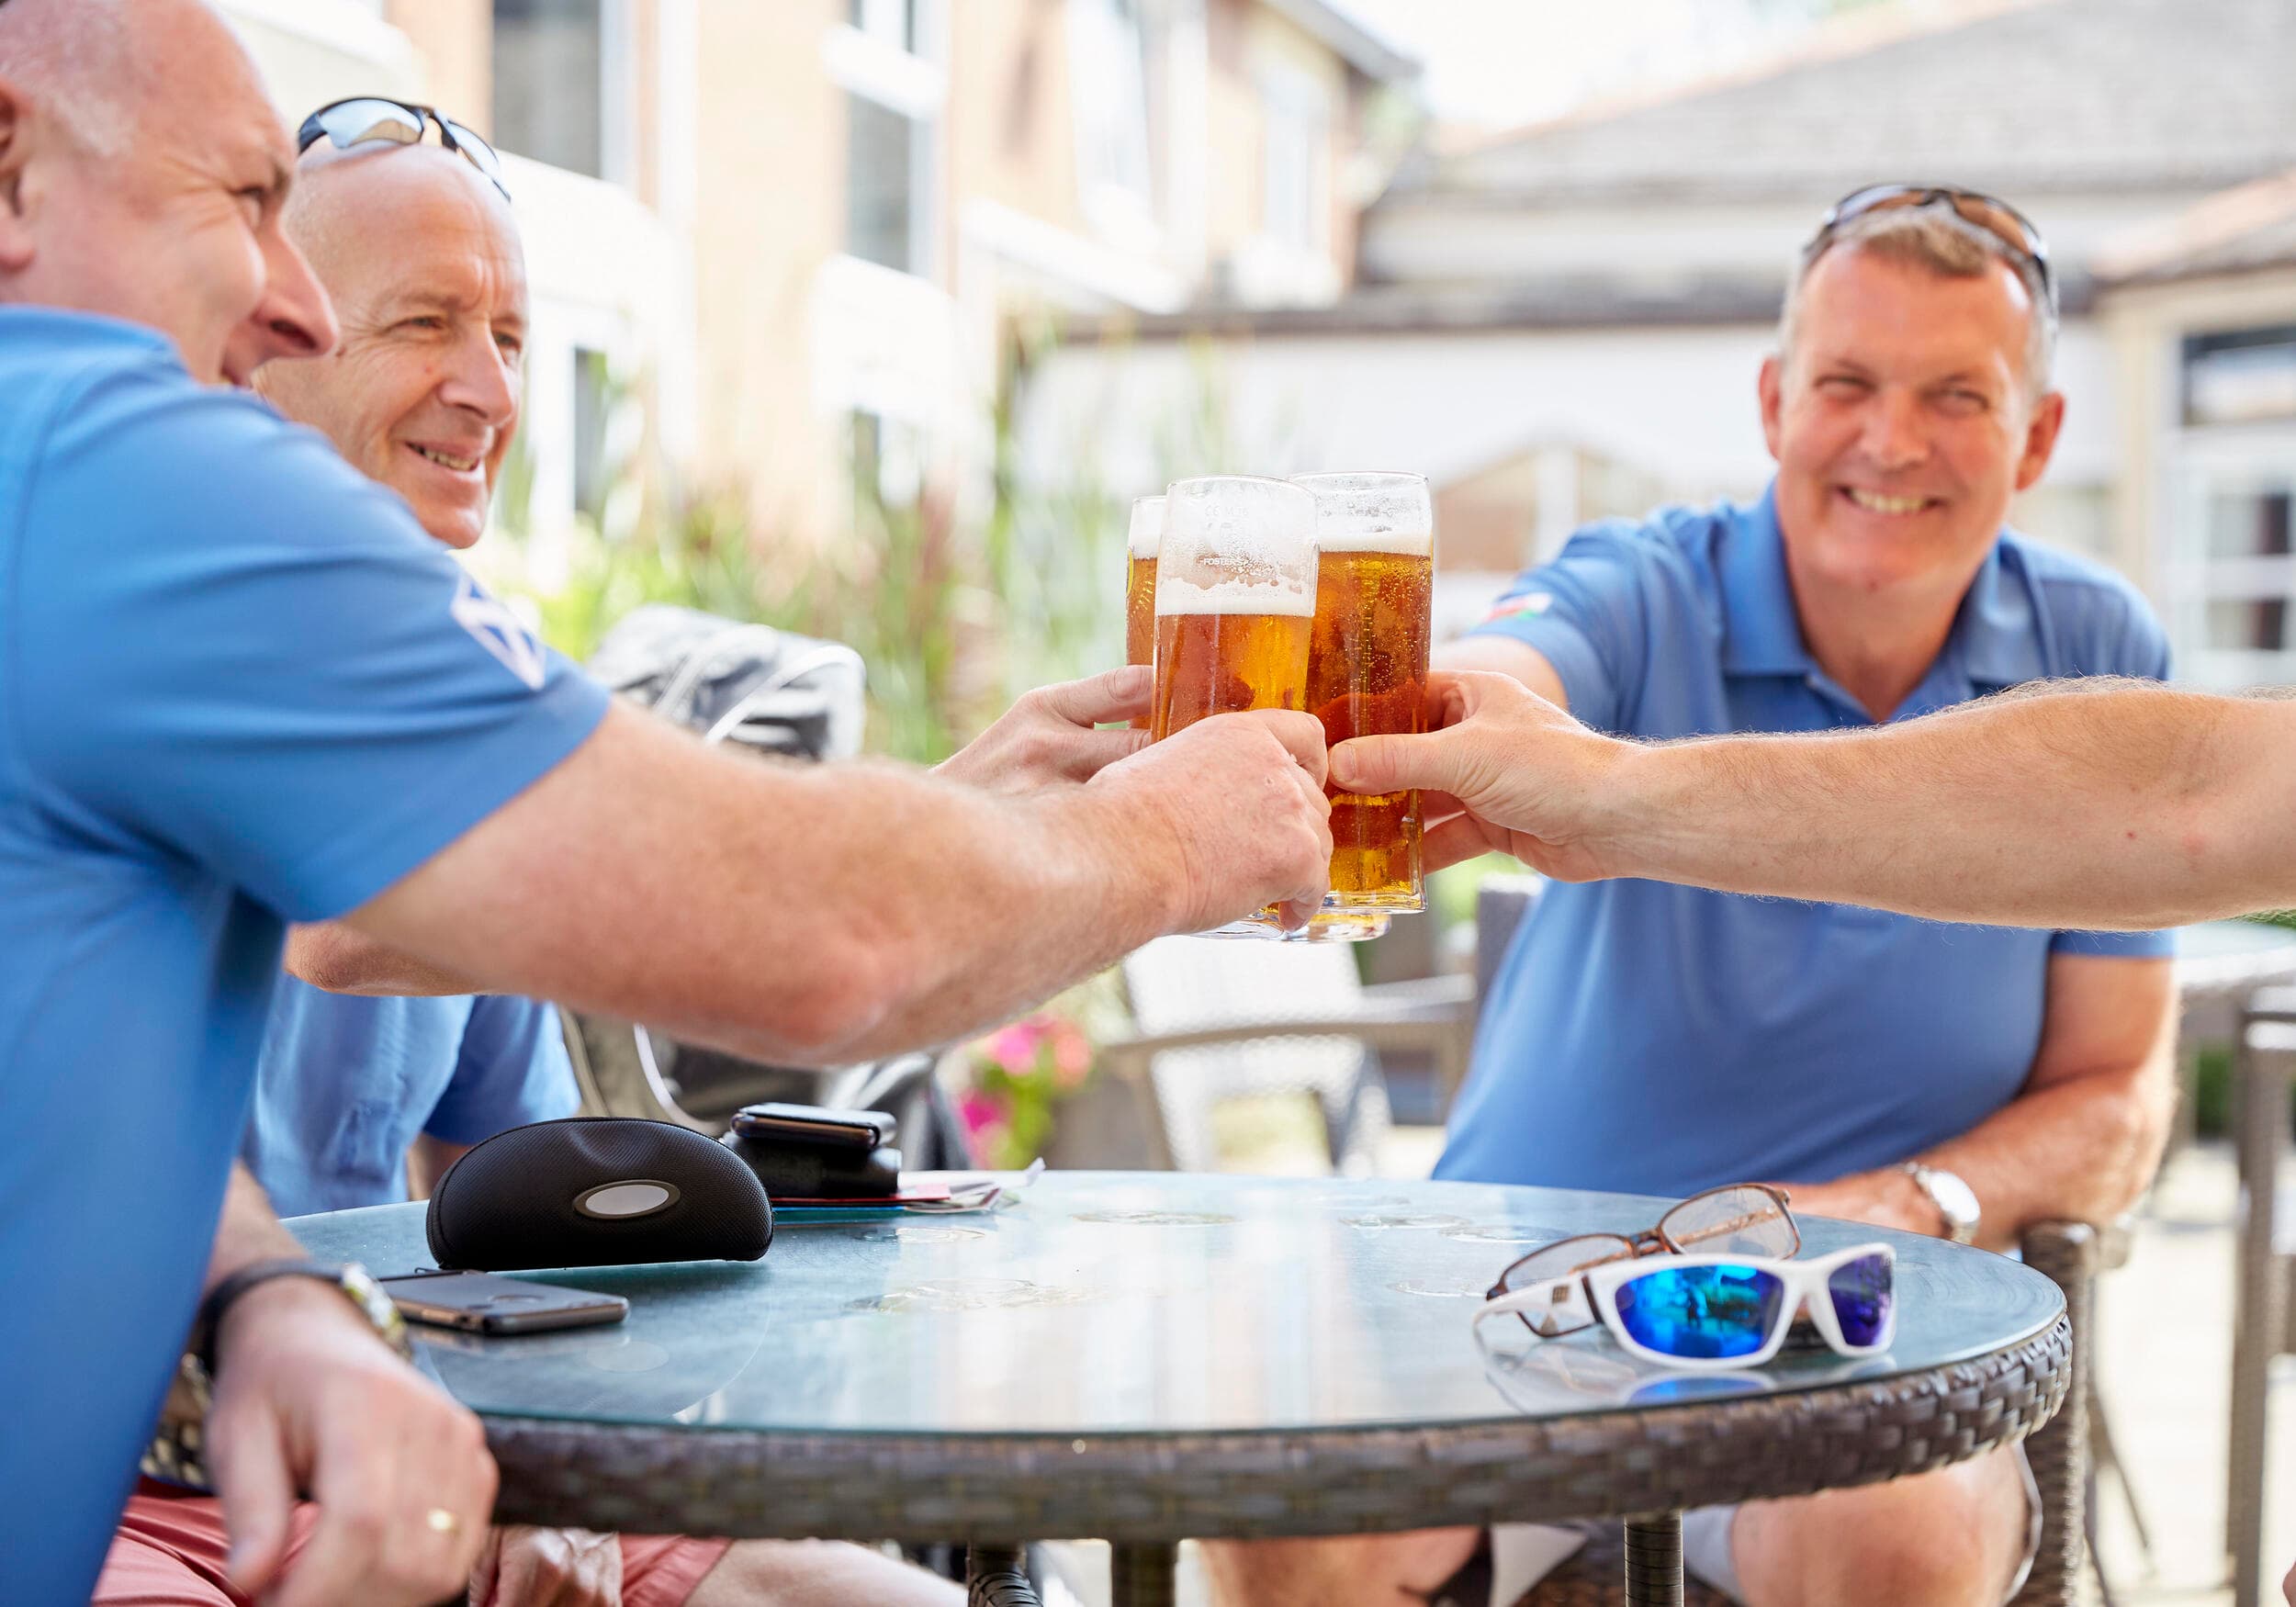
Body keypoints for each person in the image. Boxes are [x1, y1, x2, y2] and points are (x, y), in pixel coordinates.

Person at [0, 5, 1332, 1602]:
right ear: (10, 170)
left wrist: (269, 1298)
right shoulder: (117, 479)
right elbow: (819, 944)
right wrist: (1173, 838)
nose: (287, 305)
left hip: (317, 1437)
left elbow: (96, 1098)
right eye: (236, 205)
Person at [1206, 186, 2175, 1607]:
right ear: (1778, 401)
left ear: (2037, 438)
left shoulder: (2097, 649)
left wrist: (1911, 1202)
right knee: (1277, 1482)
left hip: (1847, 1328)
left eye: (1955, 395)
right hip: (1515, 1304)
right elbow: (1500, 687)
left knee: (1897, 1532)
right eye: (1847, 381)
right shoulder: (1645, 585)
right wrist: (1445, 735)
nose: (1889, 440)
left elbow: (2121, 1095)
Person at [92, 130, 960, 1607]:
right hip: (114, 1484)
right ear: (267, 346)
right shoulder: (95, 662)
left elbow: (522, 1208)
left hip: (410, 1454)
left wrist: (547, 1472)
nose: (490, 392)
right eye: (425, 324)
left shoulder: (486, 717)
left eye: (507, 337)